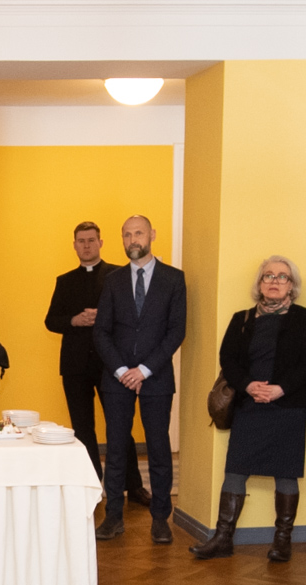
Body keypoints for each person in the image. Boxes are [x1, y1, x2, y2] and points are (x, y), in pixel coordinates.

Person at [192, 257, 306, 563]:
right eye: (268, 276)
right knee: (235, 469)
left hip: (288, 406)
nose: (274, 281)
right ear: (259, 284)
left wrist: (280, 389)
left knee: (286, 473)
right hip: (249, 405)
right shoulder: (242, 319)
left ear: (291, 285)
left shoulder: (304, 317)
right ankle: (223, 539)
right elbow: (228, 360)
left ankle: (282, 541)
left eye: (282, 277)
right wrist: (249, 386)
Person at [91, 214, 186, 543]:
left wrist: (144, 370)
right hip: (116, 379)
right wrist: (121, 371)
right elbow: (101, 332)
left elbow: (176, 331)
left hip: (156, 379)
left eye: (139, 233)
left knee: (158, 449)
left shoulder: (174, 279)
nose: (133, 240)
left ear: (152, 235)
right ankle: (113, 517)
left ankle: (160, 519)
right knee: (116, 449)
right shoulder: (113, 280)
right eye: (127, 235)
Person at [42, 221, 143, 500]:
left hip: (111, 365)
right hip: (75, 367)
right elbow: (51, 320)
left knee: (119, 425)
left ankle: (133, 485)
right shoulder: (65, 281)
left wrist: (104, 317)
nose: (86, 246)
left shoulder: (119, 275)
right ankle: (92, 487)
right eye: (81, 241)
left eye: (91, 240)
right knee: (83, 429)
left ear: (100, 243)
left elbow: (133, 317)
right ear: (74, 245)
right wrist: (74, 320)